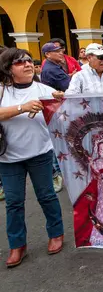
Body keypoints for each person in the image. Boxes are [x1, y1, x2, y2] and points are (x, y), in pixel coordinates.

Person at [0, 48, 65, 267]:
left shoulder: (44, 89)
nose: (27, 64)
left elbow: (64, 111)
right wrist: (22, 107)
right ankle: (17, 245)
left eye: (29, 61)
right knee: (14, 202)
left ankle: (56, 233)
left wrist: (60, 100)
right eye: (20, 63)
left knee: (47, 195)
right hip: (8, 158)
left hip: (40, 153)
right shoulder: (2, 91)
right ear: (8, 69)